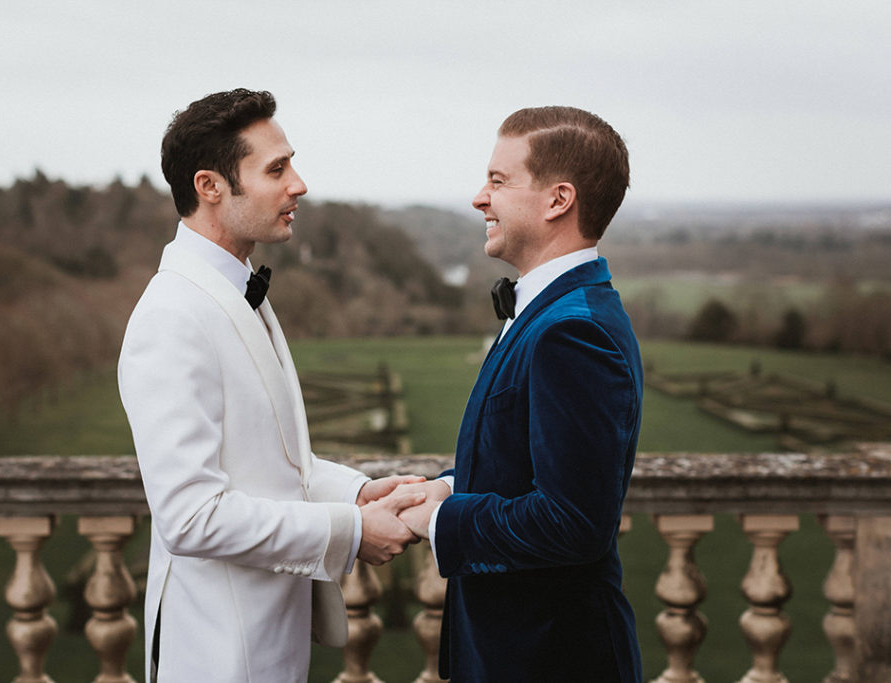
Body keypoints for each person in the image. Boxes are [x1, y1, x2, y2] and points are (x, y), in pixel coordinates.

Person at [118, 89, 424, 683]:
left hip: (270, 642)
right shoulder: (171, 317)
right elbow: (189, 517)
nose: (299, 185)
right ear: (210, 186)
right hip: (216, 653)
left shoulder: (235, 291)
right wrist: (352, 531)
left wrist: (356, 492)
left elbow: (270, 460)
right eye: (276, 169)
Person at [398, 106, 644, 681]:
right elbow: (525, 467)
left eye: (498, 181)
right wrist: (441, 486)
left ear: (558, 200)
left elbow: (571, 521)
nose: (479, 198)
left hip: (553, 658)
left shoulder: (573, 331)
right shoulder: (552, 311)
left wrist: (440, 520)